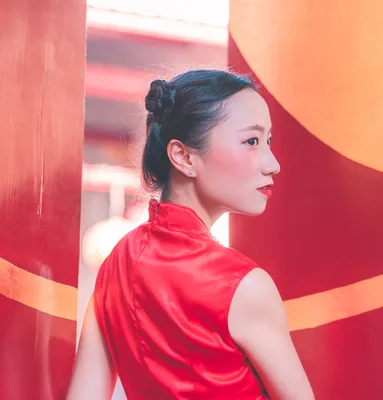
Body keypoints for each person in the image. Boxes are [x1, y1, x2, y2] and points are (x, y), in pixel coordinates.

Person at [67, 70, 314, 399]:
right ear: (183, 157)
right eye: (251, 141)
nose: (272, 164)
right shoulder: (243, 284)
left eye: (267, 141)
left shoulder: (116, 264)